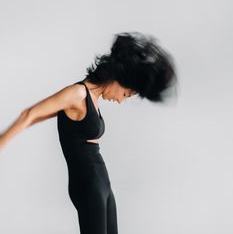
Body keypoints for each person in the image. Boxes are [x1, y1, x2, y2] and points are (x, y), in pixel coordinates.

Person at [0, 31, 177, 234]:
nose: (120, 100)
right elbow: (29, 114)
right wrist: (2, 141)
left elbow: (38, 117)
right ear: (118, 78)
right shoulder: (77, 94)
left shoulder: (92, 99)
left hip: (102, 183)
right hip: (87, 183)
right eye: (126, 94)